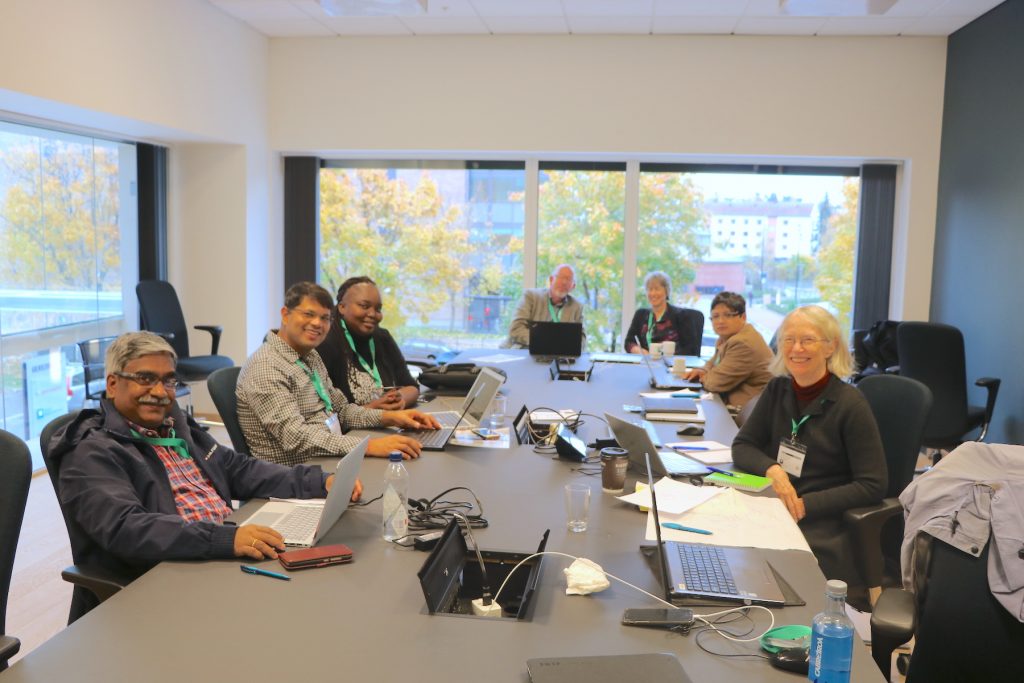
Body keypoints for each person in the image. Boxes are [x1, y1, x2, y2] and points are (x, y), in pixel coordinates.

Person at [48, 331, 357, 614]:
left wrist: (317, 480)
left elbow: (237, 469)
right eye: (145, 378)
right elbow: (127, 528)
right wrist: (225, 540)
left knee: (326, 597)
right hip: (170, 577)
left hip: (220, 555)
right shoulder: (91, 450)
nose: (159, 392)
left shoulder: (174, 425)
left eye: (168, 380)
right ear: (113, 384)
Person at [732, 305, 886, 597]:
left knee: (757, 562)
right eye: (789, 339)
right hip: (777, 505)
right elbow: (743, 445)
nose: (796, 348)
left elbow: (873, 484)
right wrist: (773, 470)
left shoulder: (851, 405)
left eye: (808, 340)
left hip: (824, 520)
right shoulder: (778, 389)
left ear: (830, 347)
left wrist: (805, 504)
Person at [237, 282, 439, 466]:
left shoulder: (309, 356)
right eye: (308, 314)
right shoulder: (266, 367)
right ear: (285, 314)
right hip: (295, 476)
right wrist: (369, 446)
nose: (317, 323)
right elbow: (296, 438)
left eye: (325, 318)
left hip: (328, 459)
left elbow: (342, 411)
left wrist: (392, 417)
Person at [318, 276, 418, 410]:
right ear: (342, 307)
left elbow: (411, 386)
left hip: (389, 422)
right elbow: (325, 413)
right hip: (349, 430)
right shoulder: (326, 343)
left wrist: (399, 399)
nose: (372, 314)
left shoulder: (383, 338)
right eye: (364, 306)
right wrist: (373, 409)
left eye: (378, 309)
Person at [682, 291, 772, 409]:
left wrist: (706, 376)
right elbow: (712, 363)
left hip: (744, 415)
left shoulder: (743, 343)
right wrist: (702, 370)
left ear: (743, 317)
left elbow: (714, 383)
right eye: (715, 316)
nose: (720, 321)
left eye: (728, 315)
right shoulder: (727, 338)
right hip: (727, 406)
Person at [623, 271, 703, 356]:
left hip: (672, 365)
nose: (653, 293)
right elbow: (629, 342)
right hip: (647, 365)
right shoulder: (640, 315)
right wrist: (641, 352)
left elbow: (690, 349)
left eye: (657, 289)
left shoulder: (681, 316)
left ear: (667, 291)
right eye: (649, 289)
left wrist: (663, 358)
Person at [505, 264, 584, 348]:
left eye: (568, 279)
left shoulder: (576, 306)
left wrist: (567, 347)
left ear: (573, 286)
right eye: (561, 277)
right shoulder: (531, 296)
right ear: (551, 279)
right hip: (525, 350)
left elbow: (582, 339)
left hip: (559, 356)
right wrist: (544, 342)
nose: (564, 282)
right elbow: (516, 328)